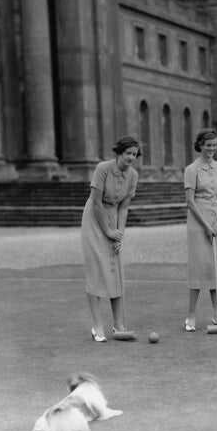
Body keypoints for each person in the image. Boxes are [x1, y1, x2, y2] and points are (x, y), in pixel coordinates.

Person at [81, 135, 140, 342]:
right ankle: (97, 326)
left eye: (135, 154)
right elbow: (96, 202)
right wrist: (107, 231)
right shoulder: (103, 168)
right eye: (128, 154)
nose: (132, 157)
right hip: (94, 220)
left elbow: (124, 207)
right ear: (119, 153)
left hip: (114, 217)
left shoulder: (133, 175)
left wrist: (119, 234)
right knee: (97, 269)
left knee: (115, 269)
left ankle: (119, 325)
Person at [183, 128, 217, 331]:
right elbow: (190, 201)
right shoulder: (191, 169)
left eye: (214, 145)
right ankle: (191, 317)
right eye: (208, 145)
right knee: (198, 267)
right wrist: (206, 226)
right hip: (198, 221)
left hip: (216, 219)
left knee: (215, 268)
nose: (212, 149)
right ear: (200, 145)